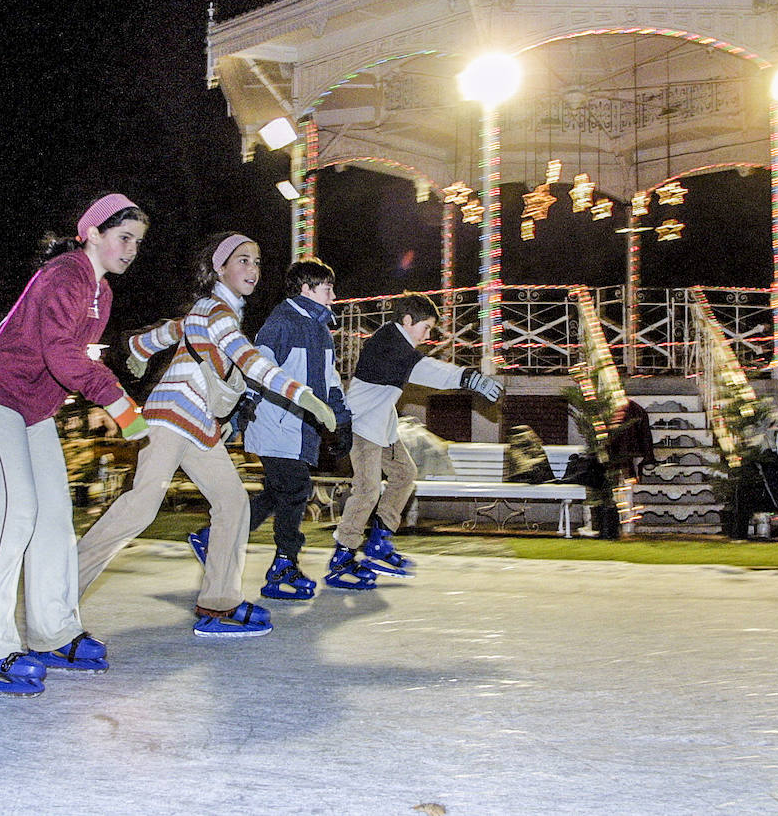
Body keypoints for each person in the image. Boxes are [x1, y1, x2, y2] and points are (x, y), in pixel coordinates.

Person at [77, 233, 336, 637]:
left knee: (234, 504)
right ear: (219, 269)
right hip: (170, 417)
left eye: (257, 261)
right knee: (142, 505)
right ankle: (61, 590)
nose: (253, 269)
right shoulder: (214, 309)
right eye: (243, 260)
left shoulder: (213, 313)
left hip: (200, 427)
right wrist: (302, 395)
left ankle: (218, 604)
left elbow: (170, 332)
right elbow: (249, 360)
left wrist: (138, 348)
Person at [0, 194, 150, 695]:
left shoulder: (101, 296)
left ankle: (53, 632)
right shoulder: (65, 274)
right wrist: (118, 404)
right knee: (16, 512)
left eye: (137, 243)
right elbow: (62, 355)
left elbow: (67, 365)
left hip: (33, 409)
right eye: (123, 237)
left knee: (55, 517)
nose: (131, 249)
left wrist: (101, 405)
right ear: (93, 233)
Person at [189, 258, 352, 601]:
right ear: (307, 289)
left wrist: (342, 418)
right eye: (327, 288)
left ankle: (212, 537)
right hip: (275, 423)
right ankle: (284, 564)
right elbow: (255, 370)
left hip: (299, 428)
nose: (333, 295)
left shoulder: (320, 328)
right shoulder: (281, 323)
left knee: (277, 493)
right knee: (294, 489)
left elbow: (329, 379)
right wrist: (241, 415)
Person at [328, 292, 504, 589]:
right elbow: (425, 370)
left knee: (404, 473)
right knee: (368, 490)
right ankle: (342, 558)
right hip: (361, 426)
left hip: (381, 427)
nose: (428, 335)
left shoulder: (397, 343)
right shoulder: (389, 342)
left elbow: (421, 367)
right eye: (426, 328)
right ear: (407, 321)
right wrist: (469, 379)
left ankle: (379, 541)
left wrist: (467, 379)